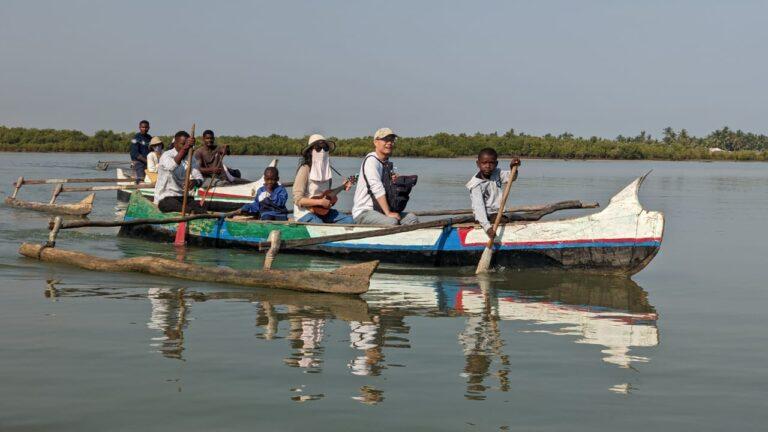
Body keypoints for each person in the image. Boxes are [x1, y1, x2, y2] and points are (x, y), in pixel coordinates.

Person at [352, 128, 419, 225]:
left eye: (392, 140)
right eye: (385, 139)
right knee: (392, 221)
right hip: (364, 212)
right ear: (375, 142)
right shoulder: (371, 161)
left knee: (411, 218)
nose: (389, 143)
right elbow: (377, 188)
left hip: (381, 211)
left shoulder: (386, 163)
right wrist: (388, 213)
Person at [292, 134, 354, 224]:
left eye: (325, 148)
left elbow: (326, 194)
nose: (322, 151)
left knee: (350, 220)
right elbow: (297, 199)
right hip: (304, 213)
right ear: (311, 151)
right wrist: (320, 202)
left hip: (323, 212)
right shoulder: (305, 169)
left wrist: (343, 187)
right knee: (320, 224)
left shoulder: (327, 171)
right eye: (318, 148)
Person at [466, 148, 521, 239]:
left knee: (521, 217)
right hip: (487, 216)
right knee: (508, 219)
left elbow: (512, 177)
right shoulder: (476, 185)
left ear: (496, 164)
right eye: (484, 163)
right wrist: (488, 228)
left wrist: (513, 168)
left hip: (498, 213)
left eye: (491, 163)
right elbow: (479, 208)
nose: (487, 166)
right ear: (478, 164)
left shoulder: (497, 173)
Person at [154, 130, 206, 214]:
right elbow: (172, 166)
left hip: (182, 197)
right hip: (165, 197)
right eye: (183, 144)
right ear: (175, 144)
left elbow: (199, 178)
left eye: (188, 145)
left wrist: (195, 182)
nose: (186, 147)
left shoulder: (190, 158)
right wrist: (185, 148)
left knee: (202, 211)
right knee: (187, 210)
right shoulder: (167, 155)